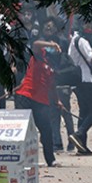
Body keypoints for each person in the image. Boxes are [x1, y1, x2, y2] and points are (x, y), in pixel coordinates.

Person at [14, 34, 60, 167]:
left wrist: (57, 101)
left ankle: (50, 159)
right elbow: (36, 44)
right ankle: (20, 158)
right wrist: (51, 44)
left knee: (46, 130)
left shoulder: (51, 67)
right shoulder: (37, 56)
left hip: (41, 100)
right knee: (23, 129)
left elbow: (52, 87)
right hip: (26, 96)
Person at [67, 22, 92, 156]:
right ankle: (79, 133)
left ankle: (82, 146)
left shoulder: (74, 40)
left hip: (78, 80)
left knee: (84, 111)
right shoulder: (82, 41)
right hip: (86, 79)